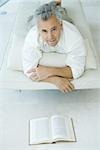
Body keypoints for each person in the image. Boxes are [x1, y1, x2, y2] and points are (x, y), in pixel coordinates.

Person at [22, 1, 86, 93]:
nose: (50, 37)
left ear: (60, 25)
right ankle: (49, 5)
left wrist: (49, 71)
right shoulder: (32, 36)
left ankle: (56, 3)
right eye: (44, 31)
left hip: (64, 20)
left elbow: (77, 70)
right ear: (38, 30)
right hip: (35, 24)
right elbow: (29, 70)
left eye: (54, 29)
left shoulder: (74, 37)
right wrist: (56, 80)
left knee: (62, 12)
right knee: (31, 20)